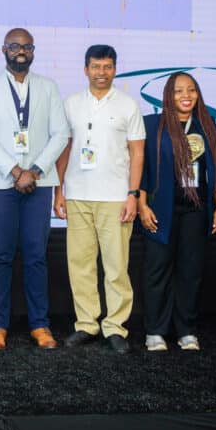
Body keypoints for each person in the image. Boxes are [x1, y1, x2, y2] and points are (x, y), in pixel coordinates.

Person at [0, 28, 70, 350]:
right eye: (14, 46)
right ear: (4, 49)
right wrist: (16, 171)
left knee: (36, 254)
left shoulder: (48, 87)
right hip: (1, 181)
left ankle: (40, 325)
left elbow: (61, 134)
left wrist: (35, 171)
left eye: (26, 47)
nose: (20, 51)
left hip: (39, 182)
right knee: (1, 254)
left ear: (33, 51)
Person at [55, 44, 145, 355]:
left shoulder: (128, 105)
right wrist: (59, 190)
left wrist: (133, 194)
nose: (101, 72)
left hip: (115, 197)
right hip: (77, 194)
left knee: (116, 266)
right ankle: (86, 324)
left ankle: (115, 326)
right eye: (95, 66)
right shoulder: (71, 104)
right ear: (86, 69)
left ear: (115, 70)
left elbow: (137, 153)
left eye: (107, 67)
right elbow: (65, 148)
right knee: (80, 264)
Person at [137, 72, 216, 352]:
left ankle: (186, 330)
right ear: (168, 95)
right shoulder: (153, 125)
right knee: (157, 271)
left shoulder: (207, 125)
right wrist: (142, 205)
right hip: (160, 209)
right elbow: (142, 169)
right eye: (178, 91)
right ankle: (155, 331)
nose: (185, 96)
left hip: (196, 210)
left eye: (191, 90)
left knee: (190, 271)